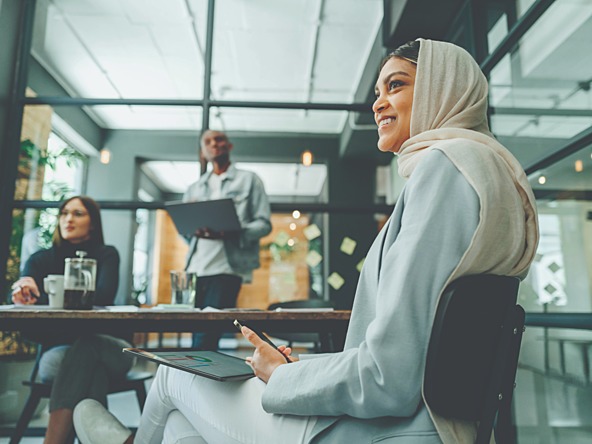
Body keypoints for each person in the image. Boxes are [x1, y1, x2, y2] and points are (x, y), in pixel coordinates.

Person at [72, 39, 539, 444]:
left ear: (444, 88)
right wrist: (307, 367)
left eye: (395, 85)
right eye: (376, 92)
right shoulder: (488, 174)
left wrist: (287, 374)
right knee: (177, 432)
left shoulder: (444, 171)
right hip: (415, 418)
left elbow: (388, 376)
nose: (376, 104)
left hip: (390, 428)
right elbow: (415, 348)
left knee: (175, 374)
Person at [11, 196, 134, 444]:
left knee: (88, 344)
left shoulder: (106, 255)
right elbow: (25, 300)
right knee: (90, 366)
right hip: (61, 354)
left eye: (78, 214)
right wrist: (22, 289)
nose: (68, 219)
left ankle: (53, 440)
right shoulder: (40, 259)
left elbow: (102, 296)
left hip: (111, 349)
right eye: (64, 213)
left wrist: (46, 299)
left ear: (93, 223)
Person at [183, 129, 272, 349]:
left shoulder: (249, 180)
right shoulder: (194, 189)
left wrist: (232, 232)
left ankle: (198, 378)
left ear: (229, 146)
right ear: (203, 151)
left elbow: (264, 224)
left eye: (219, 139)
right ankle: (198, 378)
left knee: (207, 335)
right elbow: (184, 230)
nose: (214, 144)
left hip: (227, 270)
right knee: (195, 332)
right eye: (208, 141)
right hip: (195, 270)